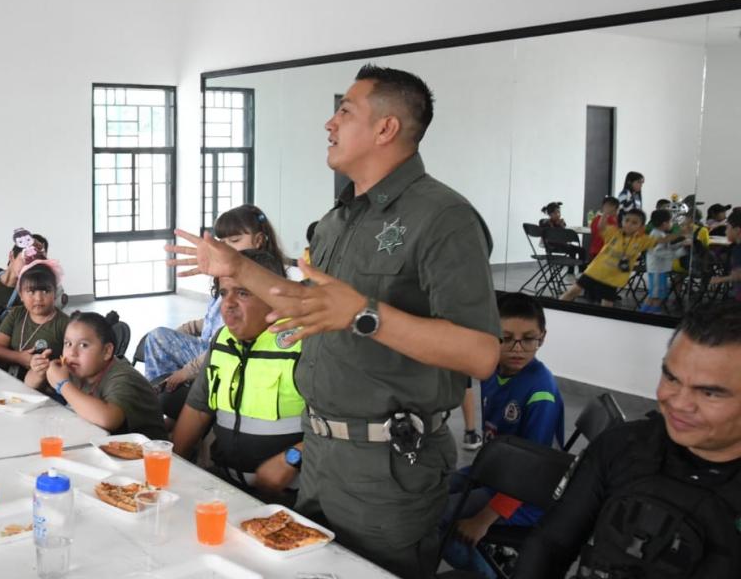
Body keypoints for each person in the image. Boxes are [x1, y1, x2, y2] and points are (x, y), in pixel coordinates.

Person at [167, 64, 501, 578]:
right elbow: (308, 305)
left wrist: (367, 316)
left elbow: (481, 353)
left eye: (345, 110)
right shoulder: (338, 220)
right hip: (321, 452)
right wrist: (236, 268)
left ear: (386, 128)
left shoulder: (443, 218)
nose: (329, 123)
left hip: (387, 465)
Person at [515, 303, 741, 578]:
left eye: (709, 393)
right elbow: (551, 544)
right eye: (671, 378)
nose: (679, 403)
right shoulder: (623, 446)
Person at [441, 293, 565, 578]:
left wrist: (483, 520)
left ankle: (490, 572)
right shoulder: (492, 369)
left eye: (528, 339)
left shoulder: (540, 394)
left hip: (527, 494)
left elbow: (533, 473)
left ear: (542, 338)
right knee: (431, 493)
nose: (517, 349)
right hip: (496, 472)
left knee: (438, 518)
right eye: (506, 338)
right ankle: (499, 556)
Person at [170, 249, 305, 504]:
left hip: (287, 499)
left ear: (273, 297)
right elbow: (198, 410)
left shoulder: (302, 343)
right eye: (223, 293)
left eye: (242, 293)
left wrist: (293, 458)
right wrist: (170, 470)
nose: (228, 304)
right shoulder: (222, 340)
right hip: (225, 487)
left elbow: (338, 430)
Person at [146, 204, 286, 394]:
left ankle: (159, 395)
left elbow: (230, 339)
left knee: (157, 338)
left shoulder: (263, 282)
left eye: (234, 240)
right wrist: (187, 329)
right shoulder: (226, 276)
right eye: (222, 242)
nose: (224, 248)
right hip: (208, 348)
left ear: (258, 240)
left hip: (221, 355)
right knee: (158, 338)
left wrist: (188, 370)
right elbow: (214, 319)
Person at [27, 311, 167, 440]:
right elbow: (28, 385)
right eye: (68, 344)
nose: (72, 353)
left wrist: (63, 385)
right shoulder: (75, 367)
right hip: (98, 443)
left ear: (107, 351)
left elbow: (108, 419)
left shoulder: (124, 378)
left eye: (83, 345)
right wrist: (39, 371)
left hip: (145, 453)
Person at [561, 209, 682, 307]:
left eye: (634, 223)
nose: (629, 224)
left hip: (612, 278)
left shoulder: (642, 240)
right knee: (573, 291)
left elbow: (663, 240)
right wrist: (605, 214)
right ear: (622, 221)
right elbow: (601, 227)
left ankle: (603, 325)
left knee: (607, 304)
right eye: (627, 220)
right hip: (595, 271)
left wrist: (681, 233)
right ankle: (556, 309)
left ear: (641, 226)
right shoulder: (614, 232)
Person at [0, 261, 68, 378]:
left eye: (46, 291)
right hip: (9, 380)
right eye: (31, 291)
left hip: (44, 384)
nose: (38, 298)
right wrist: (19, 357)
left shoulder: (65, 324)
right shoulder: (16, 314)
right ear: (21, 294)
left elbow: (69, 362)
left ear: (55, 293)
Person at [640, 209, 685, 313]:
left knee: (655, 295)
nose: (672, 224)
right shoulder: (657, 234)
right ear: (665, 223)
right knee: (656, 297)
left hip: (659, 270)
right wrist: (680, 252)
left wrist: (681, 244)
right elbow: (660, 252)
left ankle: (645, 314)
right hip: (657, 270)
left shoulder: (660, 233)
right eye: (671, 221)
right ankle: (647, 315)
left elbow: (667, 248)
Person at [707, 209, 741, 302]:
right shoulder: (736, 248)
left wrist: (721, 279)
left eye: (727, 228)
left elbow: (738, 274)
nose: (725, 232)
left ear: (737, 230)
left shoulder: (738, 250)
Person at [588, 197, 620, 261]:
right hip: (606, 253)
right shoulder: (612, 221)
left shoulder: (595, 219)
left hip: (594, 251)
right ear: (615, 208)